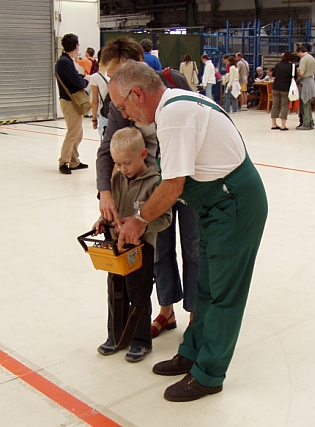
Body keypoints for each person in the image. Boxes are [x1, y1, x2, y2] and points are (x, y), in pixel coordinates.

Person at [109, 61, 268, 402]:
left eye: (122, 107)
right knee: (206, 287)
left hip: (234, 206)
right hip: (216, 205)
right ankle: (192, 352)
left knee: (225, 295)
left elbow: (172, 186)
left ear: (137, 94)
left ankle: (210, 374)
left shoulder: (175, 117)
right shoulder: (173, 105)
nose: (124, 115)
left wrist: (139, 220)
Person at [96, 36, 199, 341]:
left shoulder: (172, 82)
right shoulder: (118, 102)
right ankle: (166, 311)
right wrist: (105, 192)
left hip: (186, 178)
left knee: (194, 247)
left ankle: (196, 314)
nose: (117, 82)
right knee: (159, 250)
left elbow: (197, 119)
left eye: (120, 72)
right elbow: (106, 149)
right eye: (112, 76)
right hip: (151, 187)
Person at [93, 127, 172, 362]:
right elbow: (112, 210)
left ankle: (140, 341)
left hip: (141, 250)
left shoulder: (155, 183)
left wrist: (143, 225)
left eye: (126, 163)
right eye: (117, 163)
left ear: (143, 154)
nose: (121, 168)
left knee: (138, 295)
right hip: (116, 250)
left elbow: (165, 219)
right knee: (115, 292)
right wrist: (102, 221)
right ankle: (116, 336)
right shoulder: (117, 179)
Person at [55, 33, 90, 175]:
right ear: (76, 46)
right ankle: (64, 161)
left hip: (70, 101)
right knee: (73, 132)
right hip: (70, 102)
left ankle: (74, 160)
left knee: (78, 132)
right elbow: (76, 81)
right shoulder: (65, 62)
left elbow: (74, 77)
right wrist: (85, 80)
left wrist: (81, 78)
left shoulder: (65, 61)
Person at [270, 52, 296, 131]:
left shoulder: (278, 65)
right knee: (284, 106)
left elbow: (273, 74)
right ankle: (283, 126)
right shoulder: (292, 66)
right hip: (285, 88)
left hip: (276, 87)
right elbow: (295, 77)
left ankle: (274, 124)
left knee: (275, 105)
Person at [89, 49, 109, 138]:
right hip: (118, 111)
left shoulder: (95, 77)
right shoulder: (118, 74)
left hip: (105, 111)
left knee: (105, 140)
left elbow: (95, 101)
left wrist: (94, 118)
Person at [296, 45, 315, 130]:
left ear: (300, 52)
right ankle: (310, 122)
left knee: (305, 103)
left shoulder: (303, 59)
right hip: (311, 81)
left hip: (305, 82)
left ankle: (305, 123)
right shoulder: (311, 58)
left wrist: (297, 70)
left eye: (298, 54)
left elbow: (302, 73)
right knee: (309, 104)